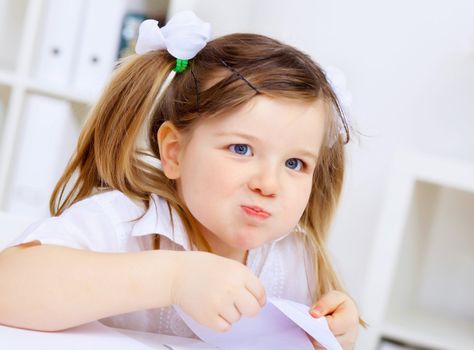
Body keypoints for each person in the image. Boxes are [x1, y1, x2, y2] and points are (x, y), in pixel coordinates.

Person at [0, 11, 363, 349]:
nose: (268, 184)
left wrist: (333, 336)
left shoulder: (295, 257)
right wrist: (173, 279)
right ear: (174, 153)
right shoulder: (125, 222)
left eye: (295, 163)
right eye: (240, 149)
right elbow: (8, 288)